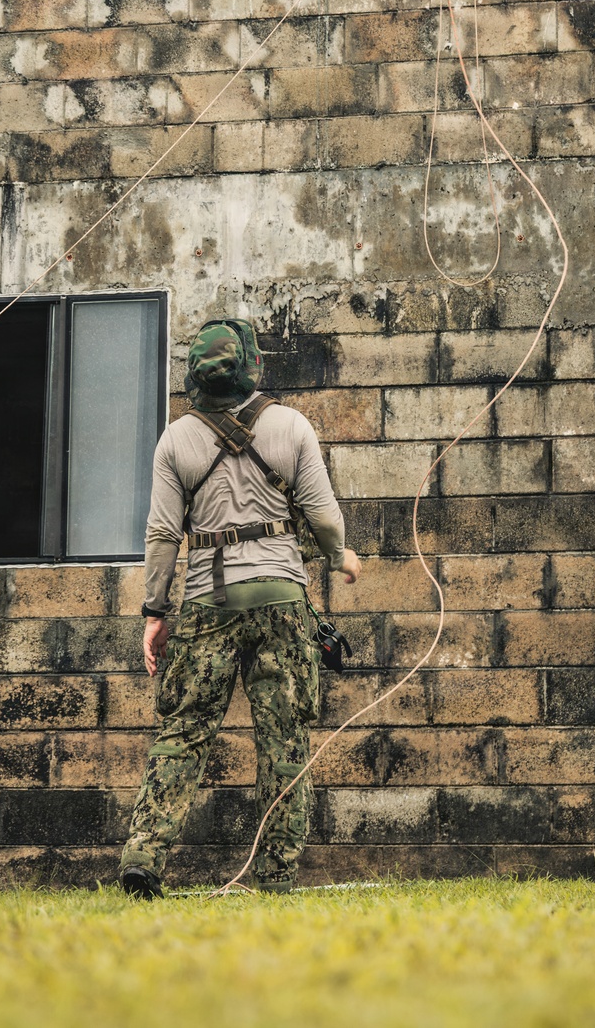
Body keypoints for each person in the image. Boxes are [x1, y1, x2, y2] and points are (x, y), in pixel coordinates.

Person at [119, 318, 361, 898]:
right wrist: (340, 556)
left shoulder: (176, 439)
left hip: (207, 602)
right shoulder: (291, 425)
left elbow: (160, 537)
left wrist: (156, 613)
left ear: (196, 376)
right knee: (284, 737)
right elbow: (323, 516)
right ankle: (275, 875)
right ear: (253, 363)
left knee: (184, 730)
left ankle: (144, 860)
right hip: (281, 599)